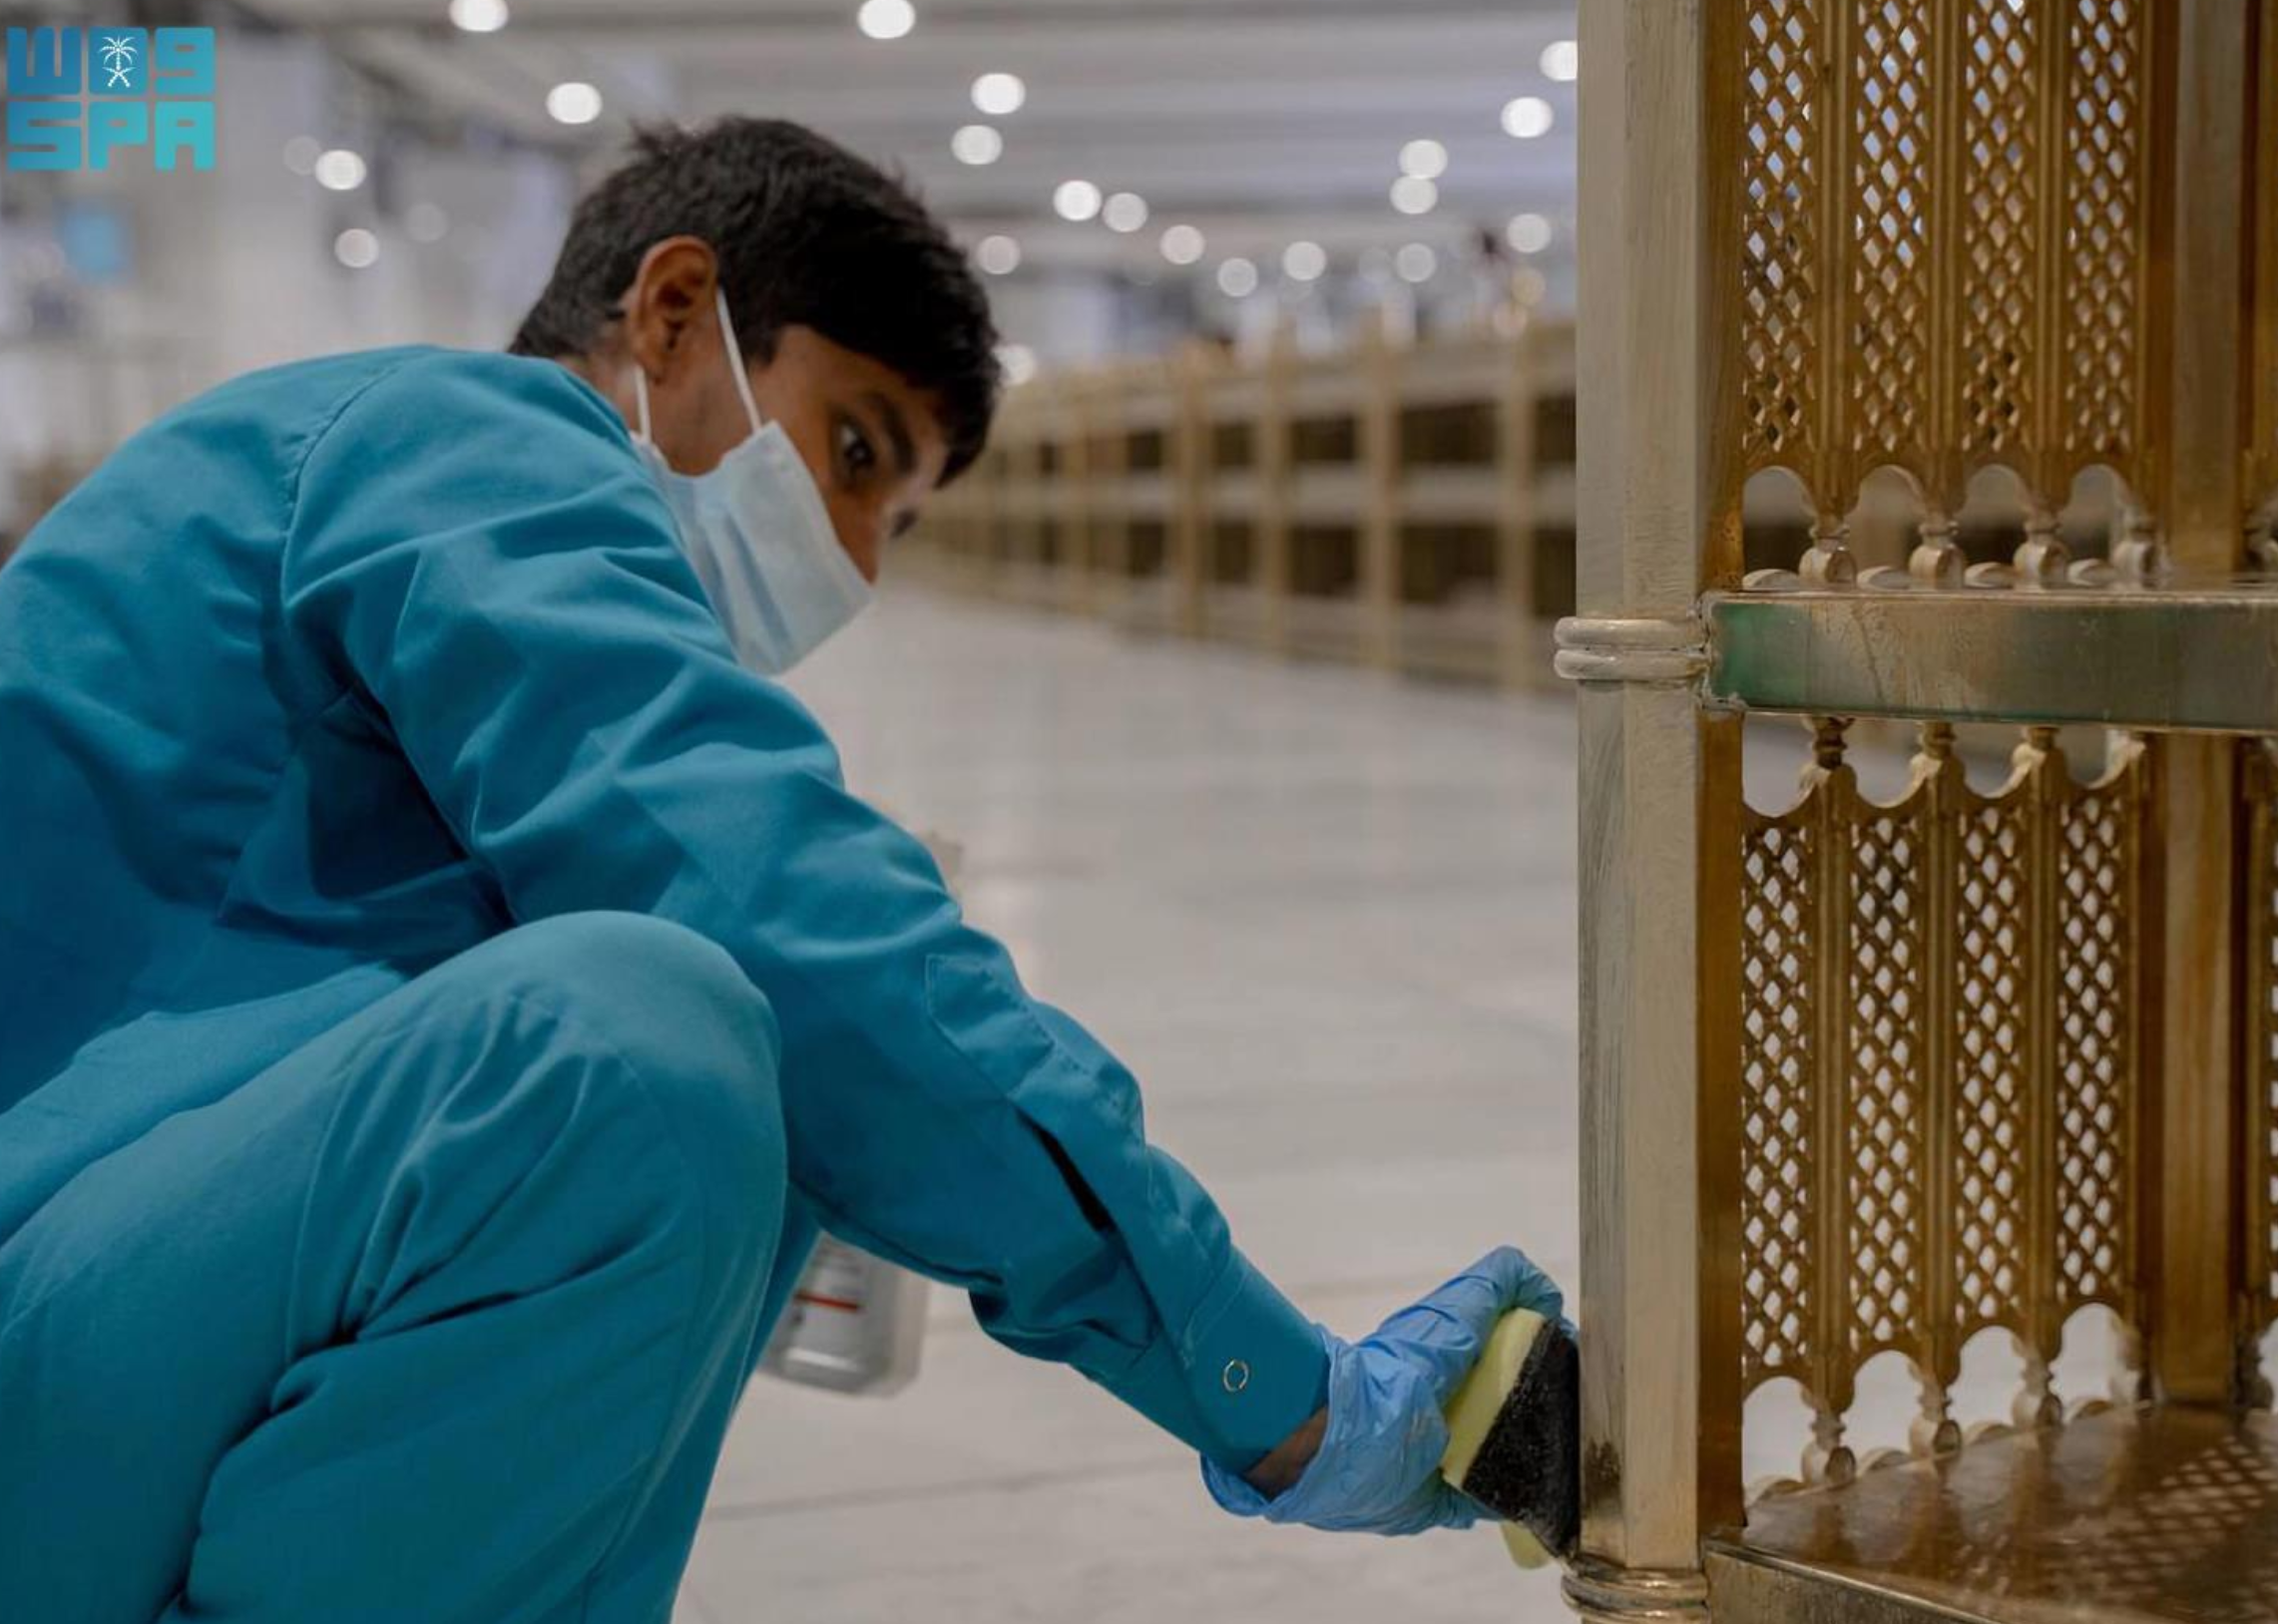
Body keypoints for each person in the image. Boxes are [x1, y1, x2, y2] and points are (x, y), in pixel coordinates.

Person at [0, 119, 1564, 1623]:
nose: (858, 558)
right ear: (675, 312)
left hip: (92, 1343)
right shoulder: (461, 440)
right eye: (854, 451)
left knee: (717, 1043)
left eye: (898, 520)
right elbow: (774, 916)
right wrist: (1276, 1394)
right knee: (627, 1052)